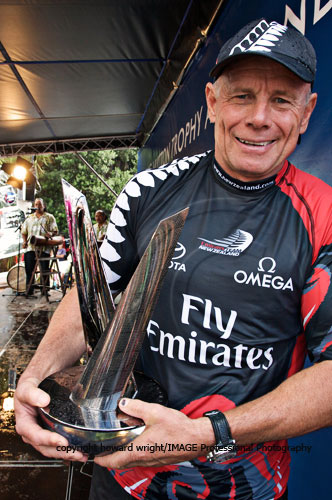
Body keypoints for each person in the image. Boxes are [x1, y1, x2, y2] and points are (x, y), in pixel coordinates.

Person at [14, 18, 332, 500]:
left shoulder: (324, 215)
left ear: (306, 113)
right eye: (242, 95)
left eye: (281, 100)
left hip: (246, 487)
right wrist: (32, 382)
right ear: (211, 102)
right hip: (123, 474)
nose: (260, 117)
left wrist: (208, 434)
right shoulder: (147, 192)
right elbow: (93, 297)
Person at [21, 198, 58, 295]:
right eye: (36, 204)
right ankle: (29, 290)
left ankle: (45, 290)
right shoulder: (29, 218)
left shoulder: (49, 217)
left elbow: (55, 230)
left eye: (39, 204)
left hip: (44, 248)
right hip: (31, 247)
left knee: (44, 269)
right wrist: (24, 241)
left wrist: (50, 234)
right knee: (29, 269)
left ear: (44, 206)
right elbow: (24, 231)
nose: (37, 206)